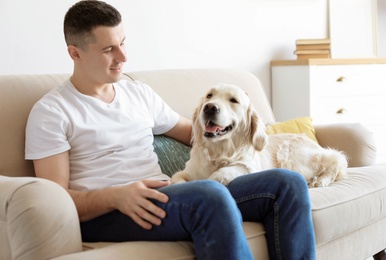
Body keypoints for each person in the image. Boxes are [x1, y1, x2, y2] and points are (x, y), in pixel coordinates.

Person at [25, 1, 316, 259]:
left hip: (165, 195)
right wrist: (115, 196)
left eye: (123, 43)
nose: (123, 57)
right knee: (210, 194)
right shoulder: (52, 112)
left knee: (287, 184)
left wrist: (242, 124)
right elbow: (55, 199)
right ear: (75, 53)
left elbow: (198, 133)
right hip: (110, 212)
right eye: (108, 49)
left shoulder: (137, 93)